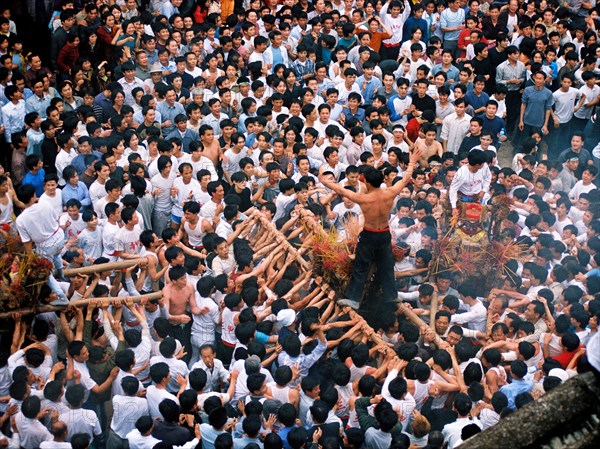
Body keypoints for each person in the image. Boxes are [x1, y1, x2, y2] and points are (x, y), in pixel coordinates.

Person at [319, 147, 421, 309]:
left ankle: (353, 299)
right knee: (386, 266)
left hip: (369, 235)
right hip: (384, 234)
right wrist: (413, 160)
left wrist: (324, 181)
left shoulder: (363, 198)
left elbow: (339, 189)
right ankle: (391, 295)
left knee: (361, 267)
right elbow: (406, 178)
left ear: (366, 182)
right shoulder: (390, 192)